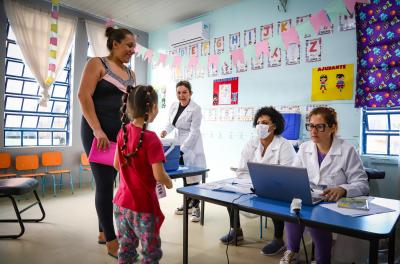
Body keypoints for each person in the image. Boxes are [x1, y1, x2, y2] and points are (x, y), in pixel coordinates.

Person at [280, 107, 369, 264]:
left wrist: (343, 189)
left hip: (335, 202)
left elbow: (362, 184)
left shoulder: (347, 150)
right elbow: (293, 174)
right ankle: (292, 251)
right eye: (311, 126)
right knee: (292, 211)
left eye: (319, 126)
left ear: (332, 127)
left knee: (317, 221)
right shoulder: (304, 148)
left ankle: (323, 260)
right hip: (311, 197)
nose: (313, 131)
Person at [78, 27, 136, 258]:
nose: (132, 50)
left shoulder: (131, 75)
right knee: (104, 184)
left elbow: (130, 109)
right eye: (129, 45)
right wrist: (97, 130)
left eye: (134, 47)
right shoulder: (97, 63)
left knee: (117, 184)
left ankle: (103, 231)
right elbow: (83, 96)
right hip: (97, 134)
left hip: (120, 136)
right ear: (115, 43)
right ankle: (112, 241)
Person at [219, 107, 296, 256]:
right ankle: (236, 231)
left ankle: (278, 239)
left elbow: (288, 175)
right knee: (230, 194)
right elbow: (241, 169)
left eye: (265, 122)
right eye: (259, 122)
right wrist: (252, 182)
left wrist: (267, 184)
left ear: (274, 126)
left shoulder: (284, 145)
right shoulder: (251, 143)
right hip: (250, 184)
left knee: (274, 198)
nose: (261, 126)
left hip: (277, 188)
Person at [113, 85, 173, 263]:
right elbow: (159, 175)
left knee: (126, 249)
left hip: (121, 205)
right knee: (150, 254)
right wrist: (169, 183)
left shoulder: (122, 132)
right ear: (152, 108)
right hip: (143, 207)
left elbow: (116, 164)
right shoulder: (152, 138)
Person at [160, 80, 206, 223]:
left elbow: (194, 132)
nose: (181, 95)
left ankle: (196, 207)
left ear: (190, 93)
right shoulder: (174, 106)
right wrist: (165, 131)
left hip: (192, 145)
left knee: (194, 176)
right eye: (179, 92)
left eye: (185, 92)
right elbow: (171, 123)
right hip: (178, 141)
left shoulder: (196, 108)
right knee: (184, 176)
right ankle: (187, 203)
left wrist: (182, 150)